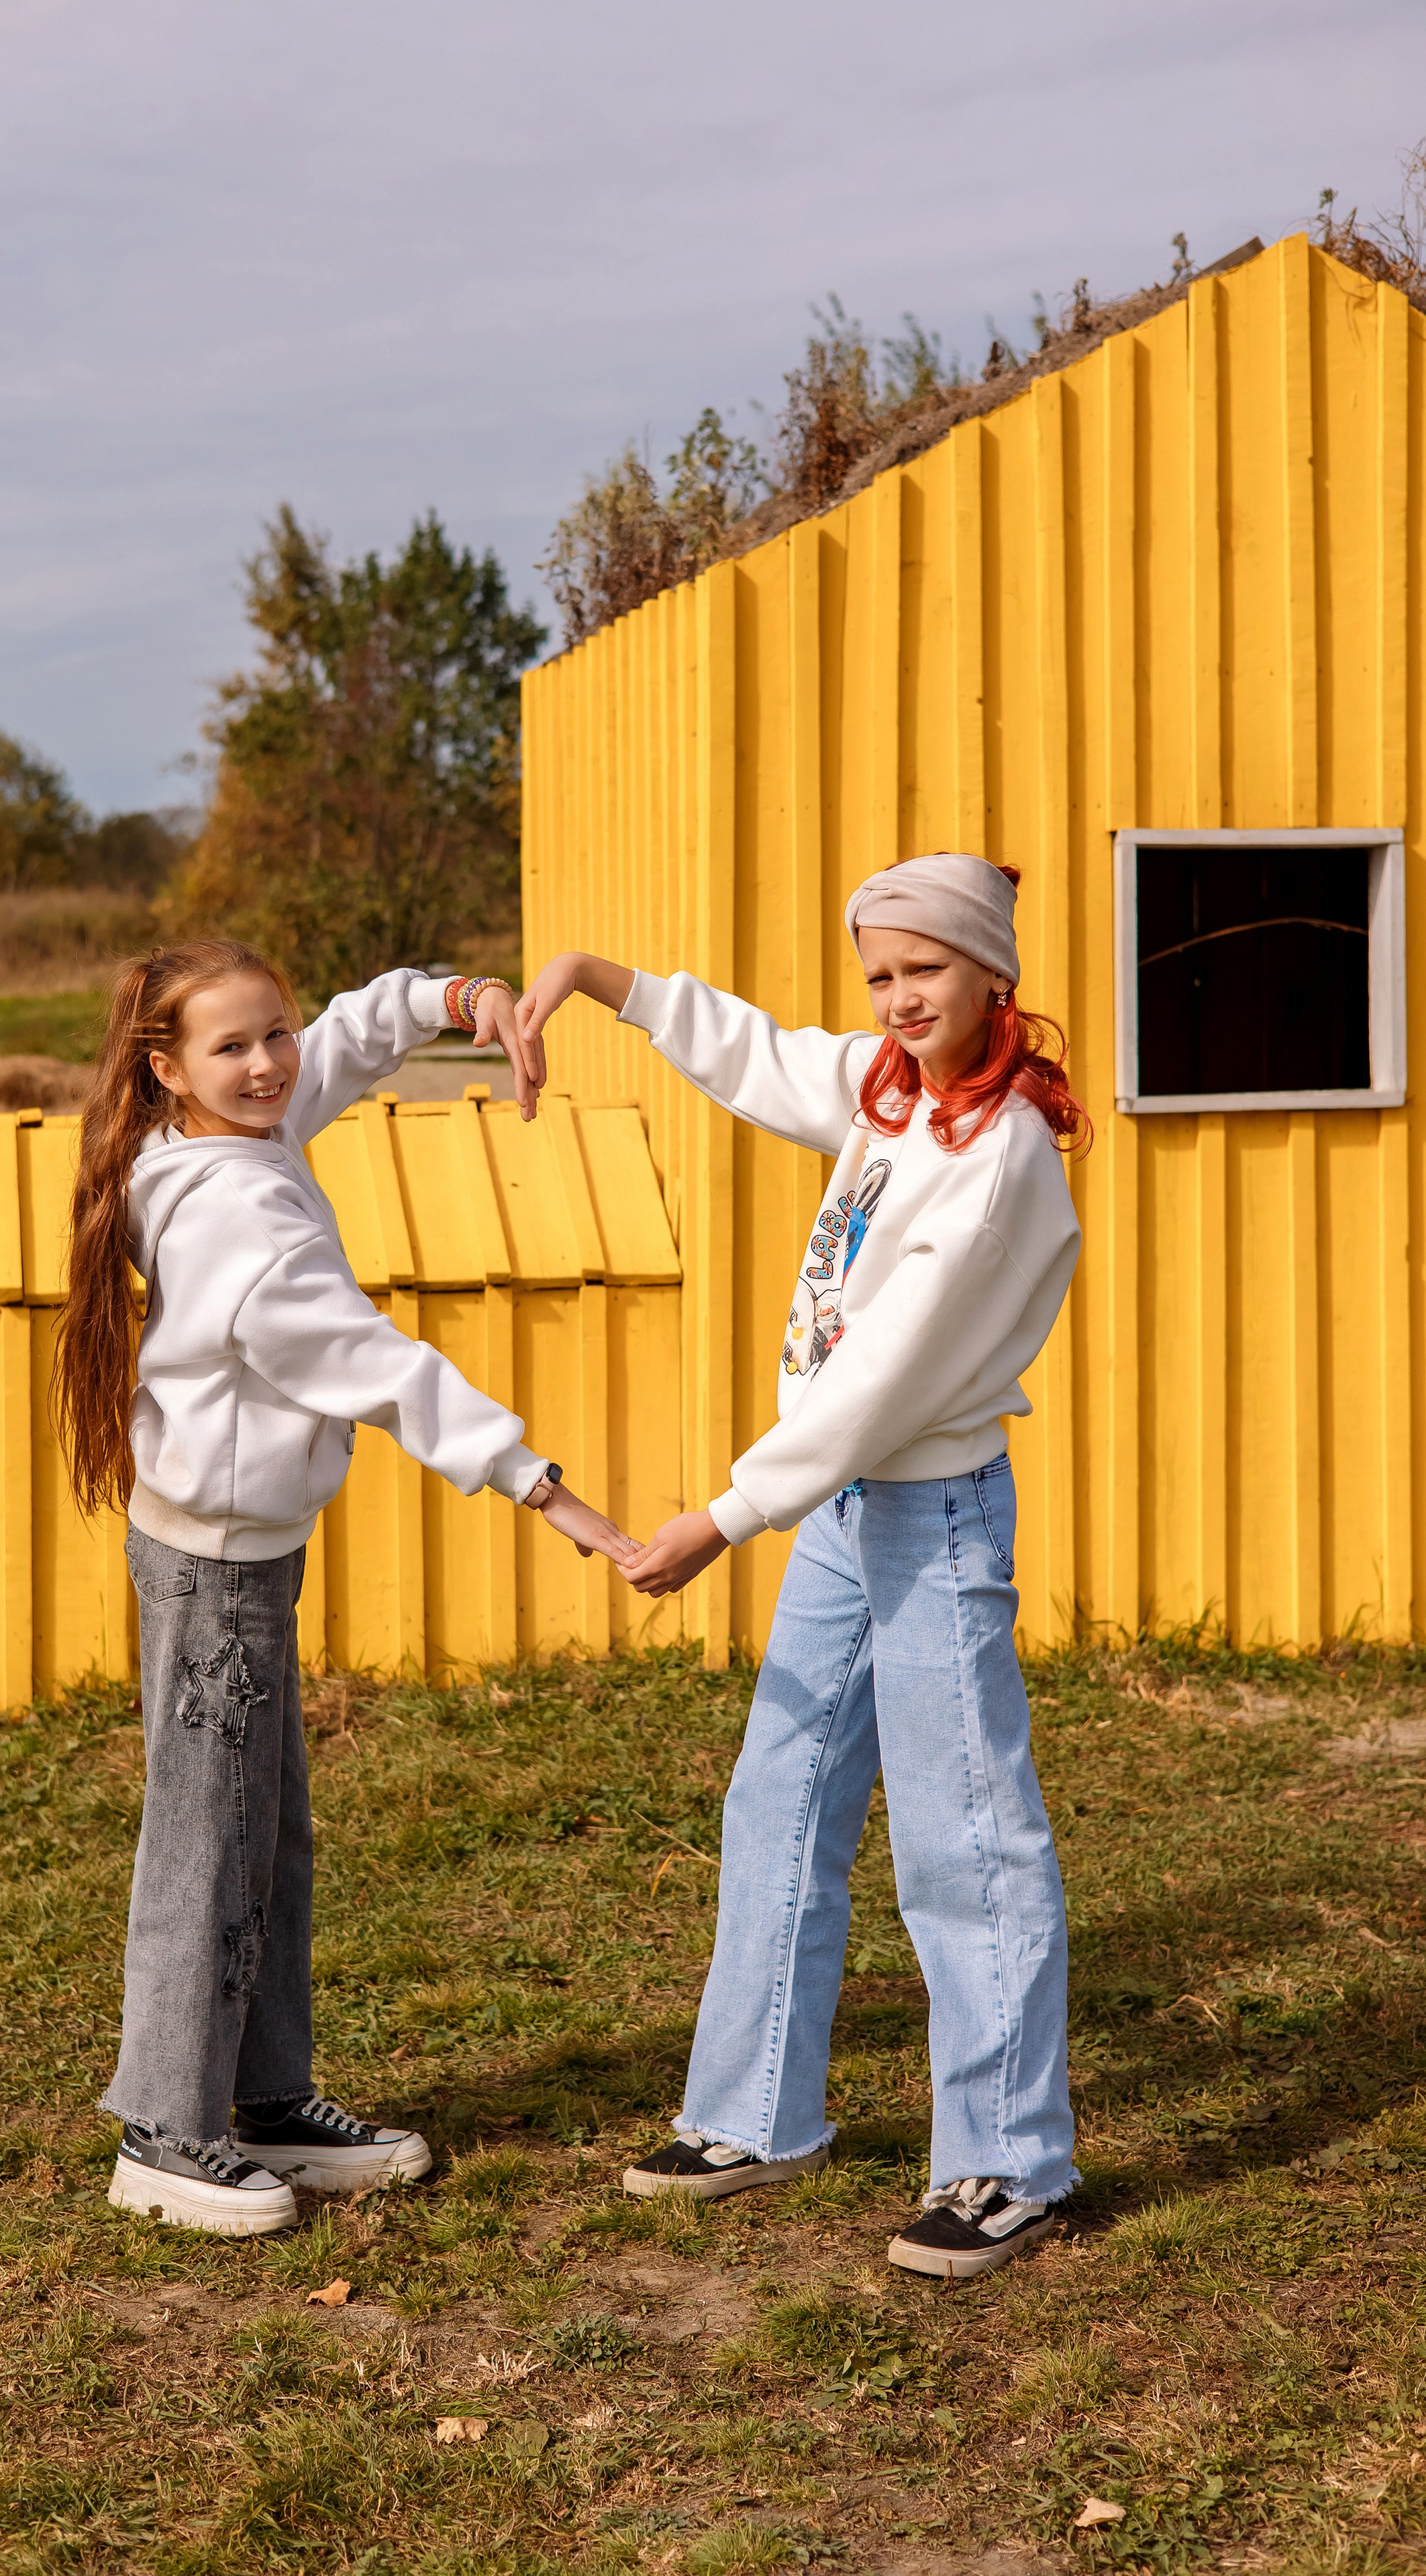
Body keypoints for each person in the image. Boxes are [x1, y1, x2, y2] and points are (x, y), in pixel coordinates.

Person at [517, 854, 1088, 2281]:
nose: (898, 1000)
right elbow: (760, 1055)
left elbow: (885, 1376)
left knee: (963, 1837)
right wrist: (600, 980)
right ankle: (751, 2113)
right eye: (879, 975)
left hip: (926, 1513)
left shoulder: (999, 1147)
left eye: (926, 972)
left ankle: (1008, 2163)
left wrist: (725, 1514)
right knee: (778, 1796)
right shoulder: (885, 1094)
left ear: (991, 976)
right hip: (839, 1516)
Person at [53, 943, 633, 2236]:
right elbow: (382, 1368)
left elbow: (358, 1035)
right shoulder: (232, 1215)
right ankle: (166, 2131)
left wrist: (460, 1000)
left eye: (276, 1034)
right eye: (230, 1047)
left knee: (265, 1832)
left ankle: (263, 2102)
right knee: (209, 1838)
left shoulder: (228, 1136)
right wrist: (545, 1487)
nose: (268, 1065)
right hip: (213, 1569)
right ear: (167, 1068)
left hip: (240, 1554)